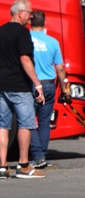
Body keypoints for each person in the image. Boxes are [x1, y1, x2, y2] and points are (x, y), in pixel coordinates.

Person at [0, 0, 47, 180]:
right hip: (20, 86)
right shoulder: (22, 33)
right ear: (20, 13)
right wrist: (37, 83)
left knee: (3, 125)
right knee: (25, 124)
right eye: (29, 13)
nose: (31, 16)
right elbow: (25, 60)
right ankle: (24, 165)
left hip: (2, 86)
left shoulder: (1, 30)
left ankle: (3, 167)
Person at [29, 10, 70, 168]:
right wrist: (65, 89)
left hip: (31, 83)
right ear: (44, 23)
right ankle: (43, 155)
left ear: (30, 22)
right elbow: (60, 68)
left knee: (29, 121)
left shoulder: (25, 39)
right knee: (45, 122)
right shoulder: (52, 42)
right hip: (48, 84)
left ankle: (36, 155)